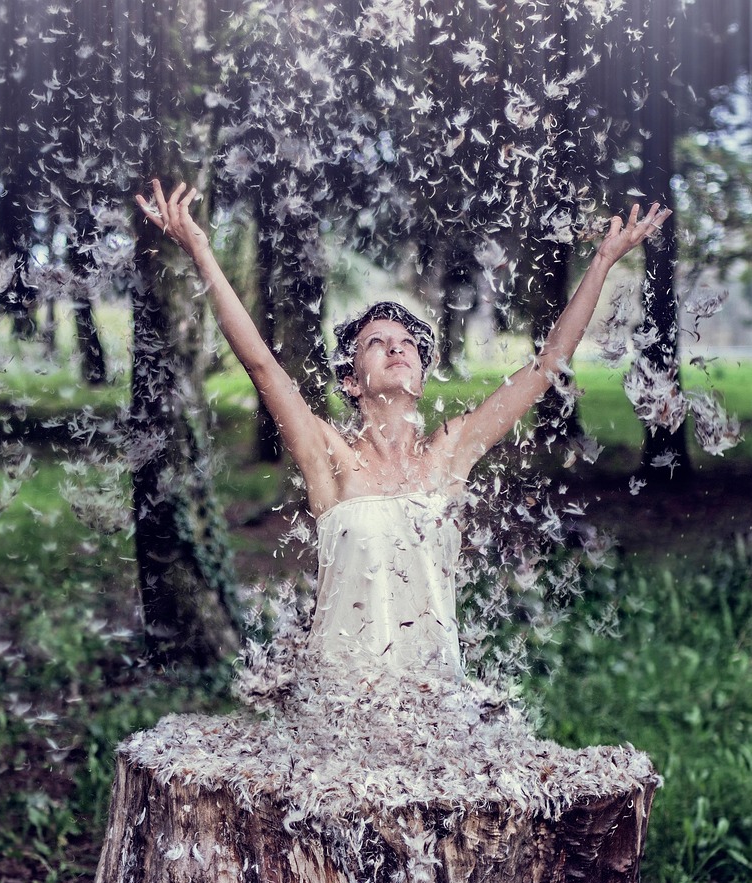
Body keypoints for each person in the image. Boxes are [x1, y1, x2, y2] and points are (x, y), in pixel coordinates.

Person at [136, 180, 670, 686]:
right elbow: (262, 367)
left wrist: (602, 261)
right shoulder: (330, 455)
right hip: (341, 703)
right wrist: (202, 252)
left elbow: (548, 363)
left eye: (407, 342)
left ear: (421, 374)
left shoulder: (452, 451)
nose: (396, 346)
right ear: (351, 381)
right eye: (376, 342)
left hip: (434, 703)